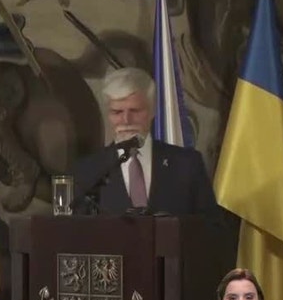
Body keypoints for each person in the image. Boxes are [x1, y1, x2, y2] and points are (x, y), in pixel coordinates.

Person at [72, 67, 219, 217]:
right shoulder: (88, 172)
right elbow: (76, 228)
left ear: (153, 110)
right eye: (117, 112)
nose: (126, 120)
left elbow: (210, 226)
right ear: (108, 115)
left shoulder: (187, 164)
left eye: (135, 111)